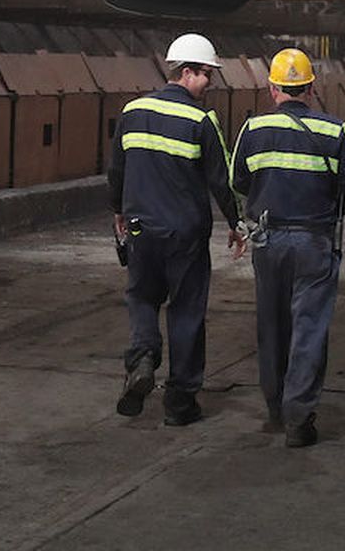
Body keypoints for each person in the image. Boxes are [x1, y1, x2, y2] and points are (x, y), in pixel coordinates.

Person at [230, 47, 345, 448]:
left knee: (271, 325)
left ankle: (275, 406)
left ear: (272, 88)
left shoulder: (252, 130)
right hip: (314, 240)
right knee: (309, 328)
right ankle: (298, 416)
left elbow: (239, 181)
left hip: (267, 240)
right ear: (311, 87)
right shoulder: (335, 131)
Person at [107, 32, 244, 426]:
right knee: (186, 313)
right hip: (184, 235)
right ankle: (180, 404)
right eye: (207, 74)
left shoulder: (132, 111)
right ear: (186, 72)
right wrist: (236, 224)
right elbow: (222, 179)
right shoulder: (202, 120)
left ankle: (143, 358)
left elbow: (117, 168)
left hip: (140, 228)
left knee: (142, 298)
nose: (210, 83)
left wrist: (117, 209)